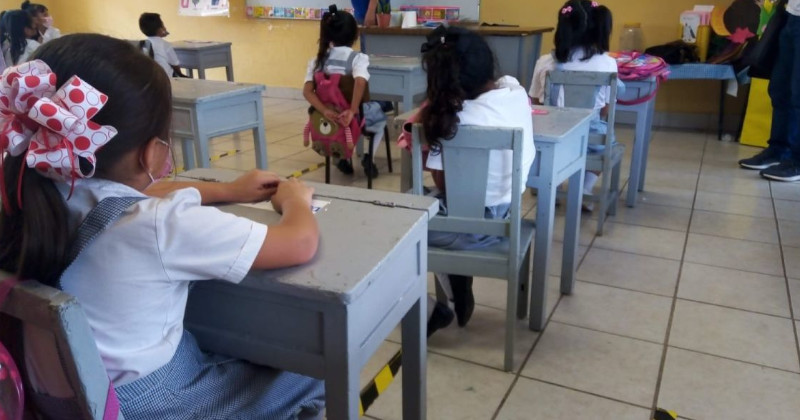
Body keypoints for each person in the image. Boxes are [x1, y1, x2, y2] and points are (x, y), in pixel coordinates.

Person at [0, 34, 324, 419]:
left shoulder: (36, 192)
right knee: (312, 375)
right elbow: (299, 242)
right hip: (156, 404)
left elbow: (135, 194)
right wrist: (294, 199)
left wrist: (229, 190)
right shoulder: (157, 225)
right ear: (152, 152)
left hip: (62, 404)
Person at [419, 26, 536, 334]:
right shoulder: (516, 92)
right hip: (508, 214)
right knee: (421, 204)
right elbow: (505, 80)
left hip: (468, 226)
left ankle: (431, 311)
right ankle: (455, 280)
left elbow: (445, 186)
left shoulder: (453, 121)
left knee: (390, 228)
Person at [529, 0, 619, 211]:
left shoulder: (545, 62)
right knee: (606, 142)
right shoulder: (607, 63)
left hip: (552, 136)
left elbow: (535, 102)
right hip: (592, 137)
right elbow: (606, 109)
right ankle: (585, 188)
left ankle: (554, 184)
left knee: (544, 134)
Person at [303, 4, 387, 178]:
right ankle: (369, 157)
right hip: (354, 116)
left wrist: (325, 110)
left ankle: (341, 157)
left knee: (346, 119)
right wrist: (353, 109)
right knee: (380, 119)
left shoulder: (316, 61)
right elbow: (360, 82)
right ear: (355, 35)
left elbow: (307, 92)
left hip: (327, 117)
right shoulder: (358, 58)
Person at [739, 0, 800, 182]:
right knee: (780, 90)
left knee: (798, 95)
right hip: (790, 16)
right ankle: (778, 150)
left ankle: (797, 161)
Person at [138, 12, 185, 78]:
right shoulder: (166, 45)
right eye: (163, 25)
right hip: (166, 78)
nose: (165, 28)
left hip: (150, 78)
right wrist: (181, 75)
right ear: (160, 29)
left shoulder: (143, 44)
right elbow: (175, 64)